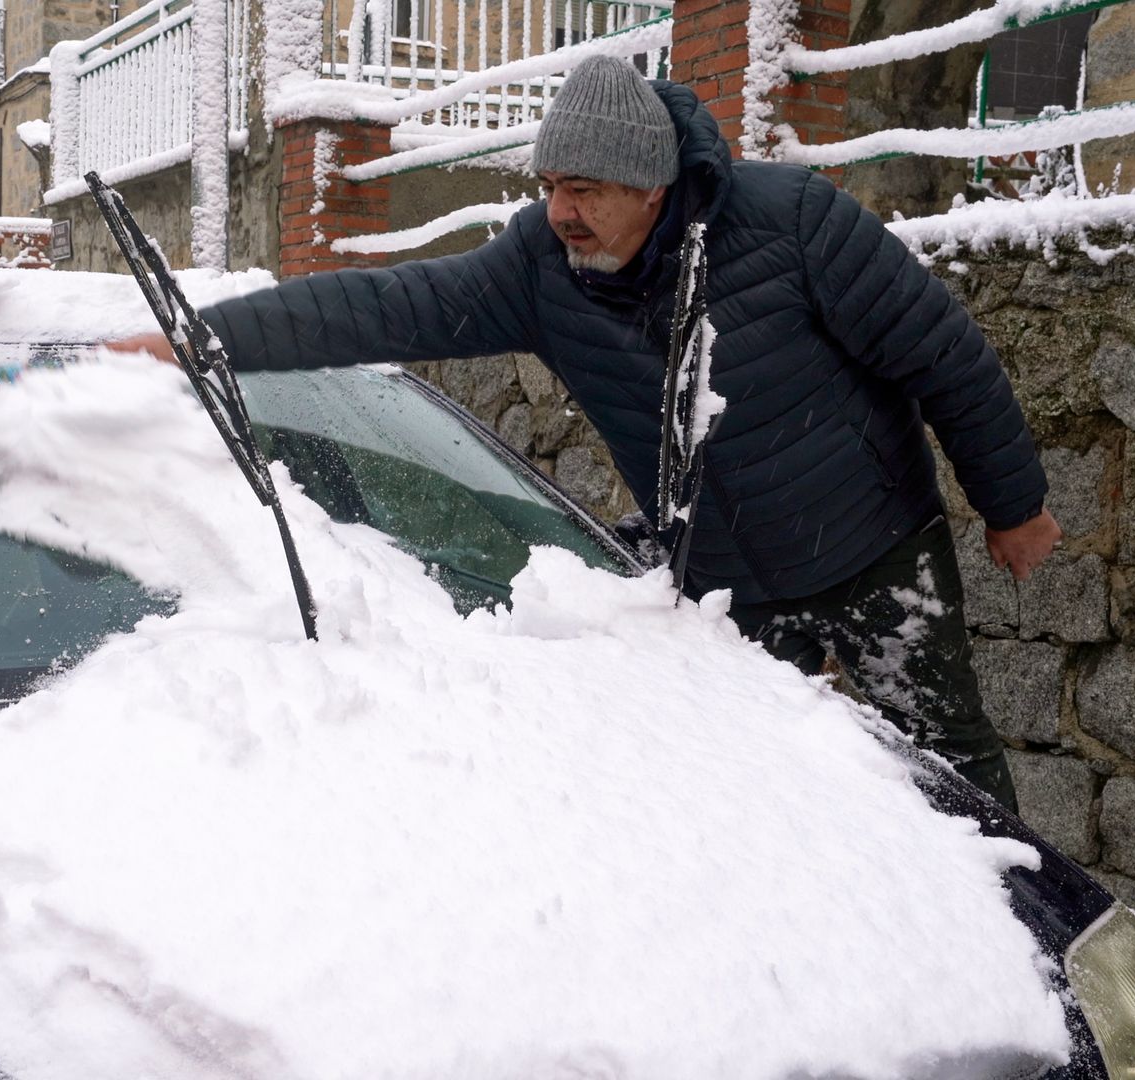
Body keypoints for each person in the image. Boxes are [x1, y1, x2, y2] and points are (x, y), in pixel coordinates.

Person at [112, 54, 1059, 812]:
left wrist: (1012, 506)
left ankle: (1021, 938)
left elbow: (945, 357)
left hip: (873, 547)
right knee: (762, 777)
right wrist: (205, 341)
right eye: (550, 186)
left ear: (652, 185)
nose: (561, 211)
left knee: (948, 761)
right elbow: (383, 306)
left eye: (585, 189)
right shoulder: (542, 268)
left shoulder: (796, 224)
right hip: (726, 581)